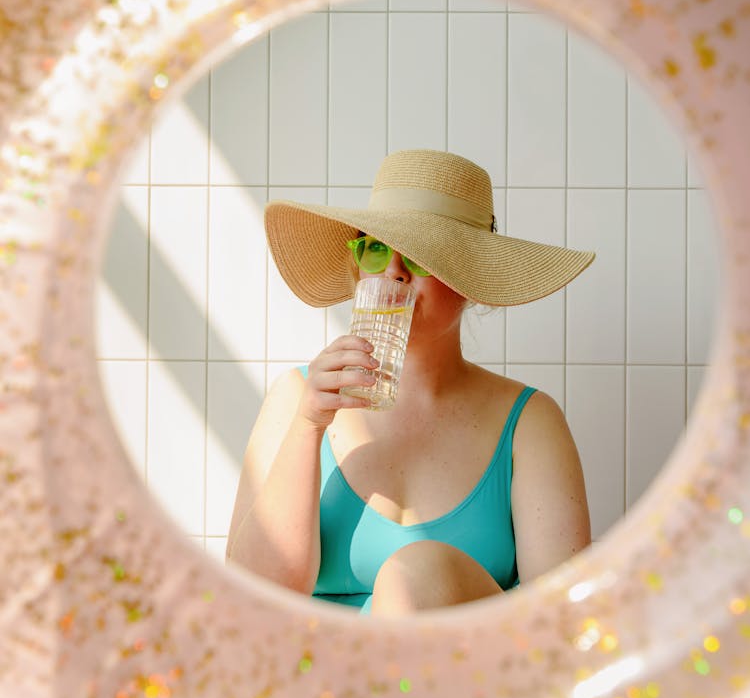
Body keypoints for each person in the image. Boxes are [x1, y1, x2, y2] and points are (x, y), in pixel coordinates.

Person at [226, 148, 594, 616]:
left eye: (421, 255)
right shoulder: (296, 399)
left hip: (460, 676)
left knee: (418, 573)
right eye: (376, 248)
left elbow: (562, 620)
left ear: (469, 280)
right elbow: (250, 599)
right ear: (358, 264)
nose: (394, 271)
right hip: (317, 676)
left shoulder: (529, 422)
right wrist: (308, 424)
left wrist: (426, 589)